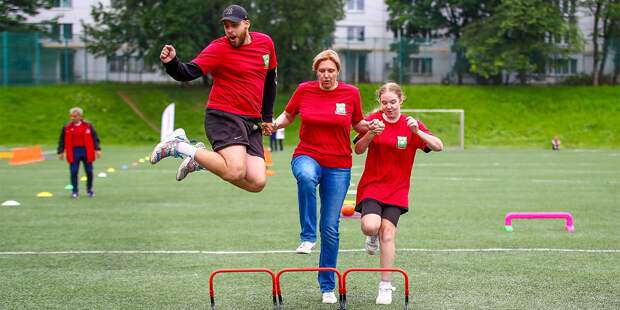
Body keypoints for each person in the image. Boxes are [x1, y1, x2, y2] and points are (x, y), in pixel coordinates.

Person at [270, 49, 379, 304]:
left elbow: (357, 123)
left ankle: (327, 285)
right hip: (307, 155)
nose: (326, 75)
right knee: (306, 177)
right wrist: (273, 125)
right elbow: (288, 115)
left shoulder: (350, 93)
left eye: (331, 70)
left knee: (330, 227)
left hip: (339, 165)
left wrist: (371, 126)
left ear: (338, 71)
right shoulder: (304, 90)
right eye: (322, 71)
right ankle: (307, 237)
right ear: (316, 71)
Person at [150, 4, 277, 192]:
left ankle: (203, 160)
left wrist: (266, 117)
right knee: (235, 171)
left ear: (247, 24)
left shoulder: (265, 43)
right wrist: (171, 63)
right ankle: (178, 145)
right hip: (225, 116)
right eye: (226, 26)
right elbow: (187, 72)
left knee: (257, 182)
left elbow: (270, 79)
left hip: (251, 121)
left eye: (234, 25)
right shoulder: (219, 48)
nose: (230, 31)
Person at [353, 82, 443, 305]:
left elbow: (439, 146)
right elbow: (358, 149)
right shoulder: (374, 119)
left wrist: (418, 132)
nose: (389, 107)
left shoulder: (411, 124)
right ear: (380, 104)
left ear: (401, 100)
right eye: (384, 103)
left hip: (397, 190)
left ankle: (385, 286)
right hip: (372, 186)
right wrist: (371, 133)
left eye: (393, 102)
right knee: (370, 226)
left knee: (388, 234)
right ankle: (370, 236)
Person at [57, 107, 102, 199]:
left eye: (75, 116)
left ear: (80, 116)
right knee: (74, 171)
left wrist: (97, 149)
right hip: (73, 151)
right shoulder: (67, 127)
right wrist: (60, 151)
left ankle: (90, 190)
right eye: (71, 116)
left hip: (86, 150)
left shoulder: (88, 126)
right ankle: (74, 191)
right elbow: (62, 140)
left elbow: (94, 138)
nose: (73, 118)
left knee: (89, 171)